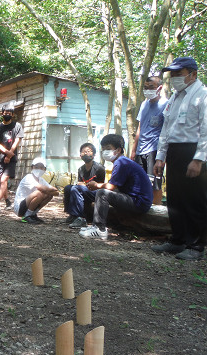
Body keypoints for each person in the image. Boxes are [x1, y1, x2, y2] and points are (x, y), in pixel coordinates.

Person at [152, 57, 207, 261]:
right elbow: (166, 129)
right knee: (175, 198)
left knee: (194, 199)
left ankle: (196, 245)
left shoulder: (202, 95)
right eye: (172, 74)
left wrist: (199, 159)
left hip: (193, 151)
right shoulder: (175, 98)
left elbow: (206, 130)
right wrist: (160, 157)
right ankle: (178, 240)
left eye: (179, 73)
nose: (174, 78)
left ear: (193, 74)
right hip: (174, 151)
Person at [79, 134, 153, 240]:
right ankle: (94, 225)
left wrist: (96, 185)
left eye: (108, 148)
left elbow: (111, 186)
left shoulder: (121, 163)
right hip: (135, 199)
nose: (105, 152)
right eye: (103, 149)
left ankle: (99, 229)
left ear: (118, 150)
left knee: (102, 193)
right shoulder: (122, 162)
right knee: (100, 193)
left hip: (139, 202)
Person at [131, 76, 167, 205]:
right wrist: (134, 150)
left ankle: (156, 208)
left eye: (151, 87)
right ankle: (143, 207)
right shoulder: (144, 104)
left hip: (155, 150)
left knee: (155, 182)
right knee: (139, 181)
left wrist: (162, 156)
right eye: (145, 88)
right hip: (141, 150)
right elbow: (140, 128)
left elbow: (167, 130)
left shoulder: (166, 104)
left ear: (159, 88)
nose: (148, 90)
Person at [0, 106, 24, 211]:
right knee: (3, 182)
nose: (7, 114)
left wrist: (9, 154)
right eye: (5, 112)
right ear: (2, 113)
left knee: (4, 179)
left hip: (11, 159)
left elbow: (17, 141)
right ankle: (8, 202)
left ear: (12, 114)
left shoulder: (17, 126)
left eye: (9, 112)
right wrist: (6, 153)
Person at [63, 142, 106, 229]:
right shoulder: (81, 169)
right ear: (80, 155)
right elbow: (80, 182)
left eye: (89, 151)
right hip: (84, 189)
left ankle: (80, 218)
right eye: (83, 151)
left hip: (96, 192)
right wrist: (83, 185)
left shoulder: (99, 168)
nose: (86, 153)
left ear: (93, 155)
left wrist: (85, 185)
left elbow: (100, 185)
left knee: (76, 189)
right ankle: (72, 215)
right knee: (68, 188)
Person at [14, 157, 59, 224]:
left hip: (28, 204)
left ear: (45, 169)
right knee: (39, 193)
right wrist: (49, 189)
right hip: (20, 207)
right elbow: (42, 188)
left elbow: (57, 193)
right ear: (32, 167)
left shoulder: (41, 180)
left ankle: (32, 214)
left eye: (41, 167)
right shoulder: (28, 177)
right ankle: (27, 216)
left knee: (49, 195)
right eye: (36, 167)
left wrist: (49, 190)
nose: (39, 169)